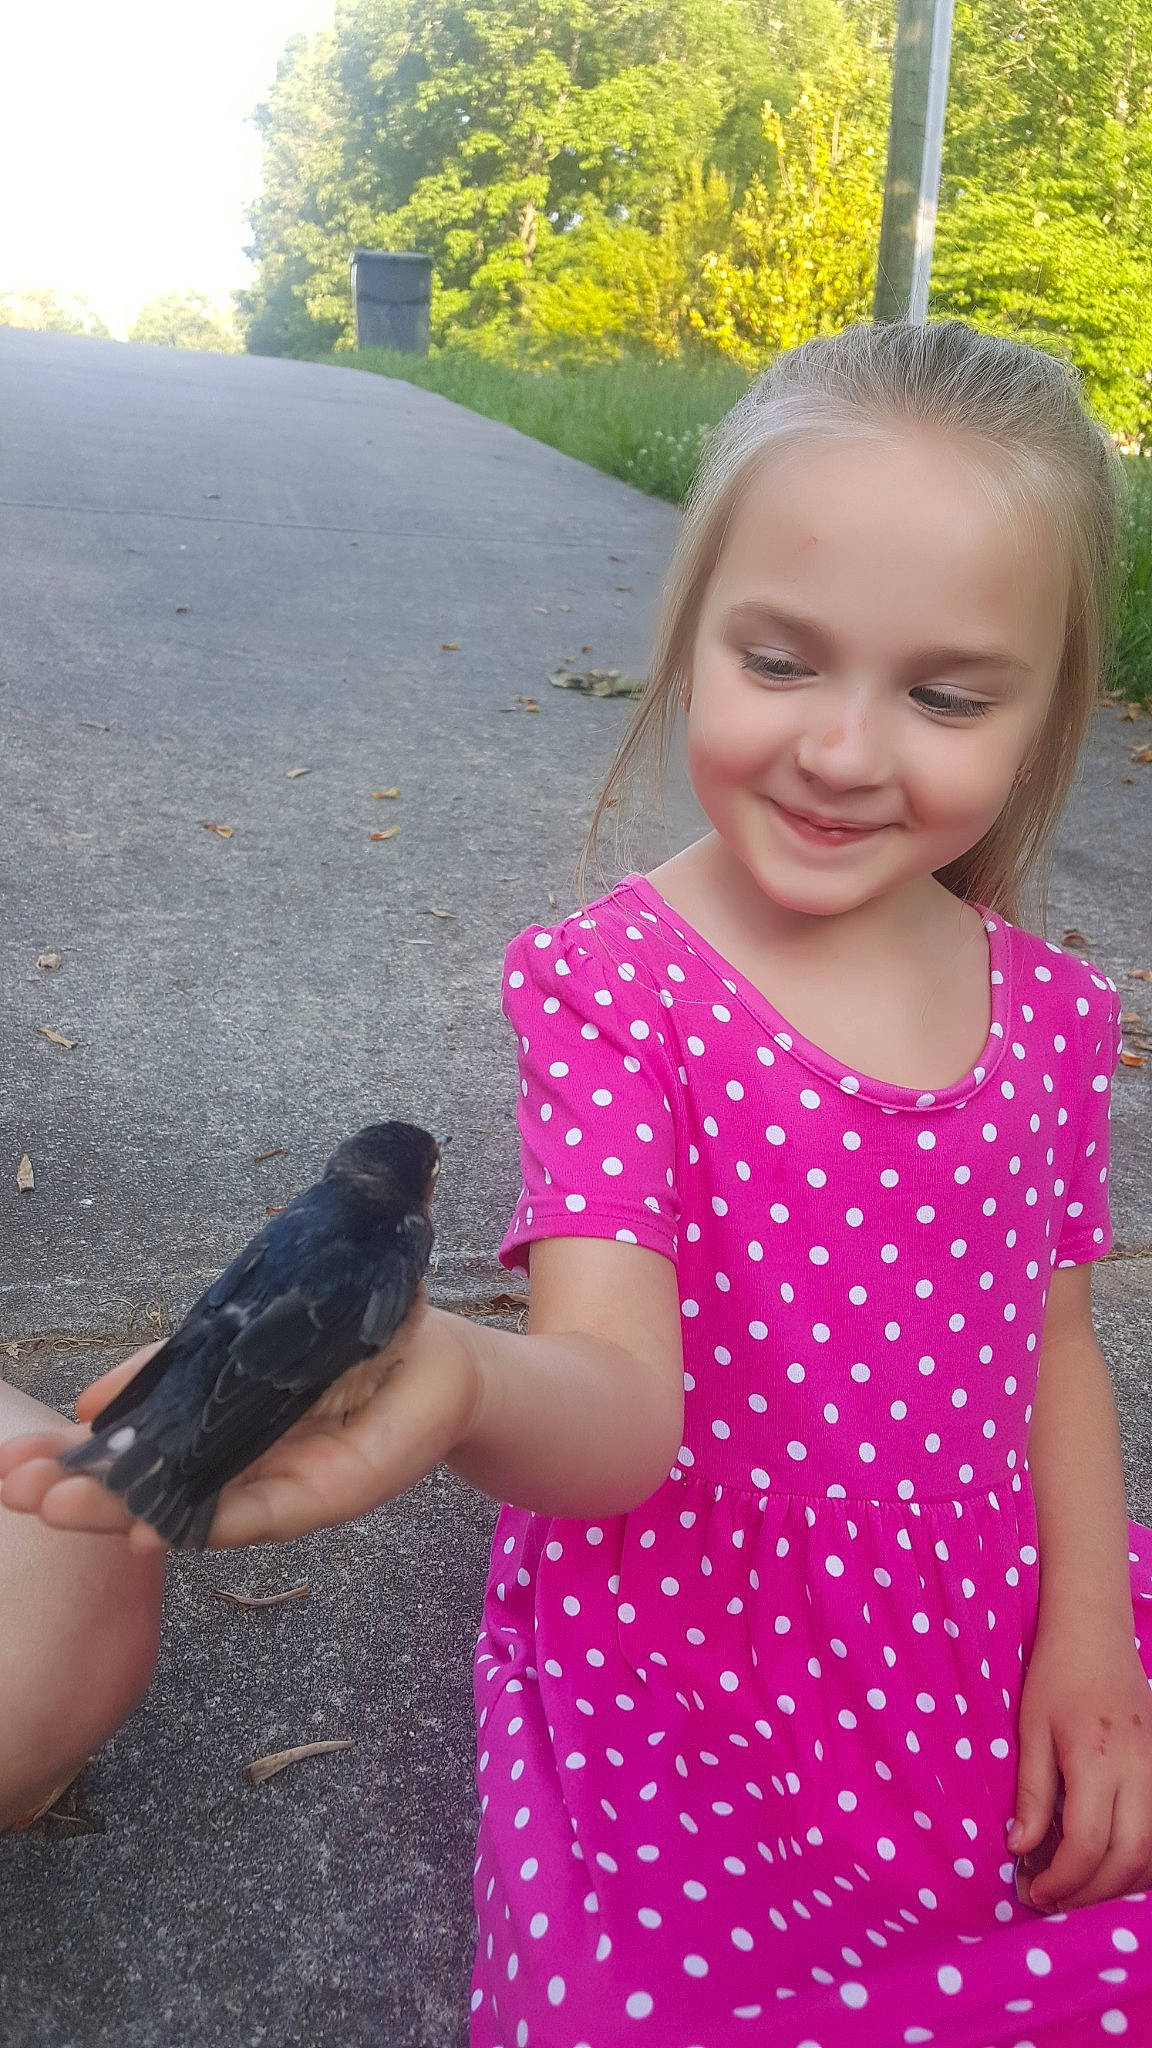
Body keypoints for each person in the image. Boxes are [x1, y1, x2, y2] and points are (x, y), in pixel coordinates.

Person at [2, 315, 1149, 2045]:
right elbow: (620, 1409)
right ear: (690, 635)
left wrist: (1087, 1641)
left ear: (1051, 702)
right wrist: (454, 1373)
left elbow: (1048, 1344)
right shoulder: (623, 993)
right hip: (700, 1670)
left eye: (942, 693)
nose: (844, 751)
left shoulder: (1056, 1015)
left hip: (990, 1619)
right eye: (782, 663)